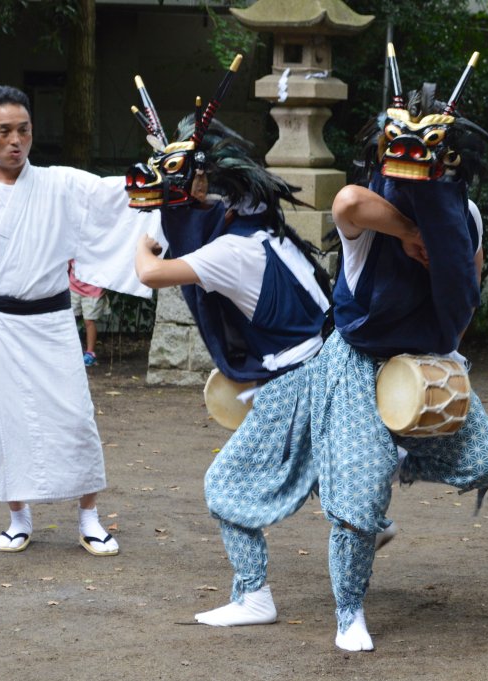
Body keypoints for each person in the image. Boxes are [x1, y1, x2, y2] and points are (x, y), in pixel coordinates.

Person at [310, 77, 488, 652]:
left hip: (426, 361)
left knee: (485, 461)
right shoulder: (371, 211)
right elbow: (348, 203)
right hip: (357, 359)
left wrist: (447, 355)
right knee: (357, 500)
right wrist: (410, 231)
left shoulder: (465, 213)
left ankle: (387, 457)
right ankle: (349, 612)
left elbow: (468, 288)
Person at [0, 85, 157, 556]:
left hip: (52, 321)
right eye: (4, 131)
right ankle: (18, 516)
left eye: (24, 131)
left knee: (76, 419)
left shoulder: (62, 185)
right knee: (5, 422)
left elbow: (120, 196)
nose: (16, 140)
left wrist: (163, 173)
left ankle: (89, 517)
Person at [129, 110, 332, 627]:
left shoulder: (228, 252)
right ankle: (365, 521)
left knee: (223, 484)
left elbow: (153, 272)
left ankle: (253, 596)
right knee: (314, 466)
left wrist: (141, 238)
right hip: (328, 368)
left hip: (295, 380)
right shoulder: (270, 232)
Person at [68, 259, 110, 366]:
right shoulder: (75, 244)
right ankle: (70, 350)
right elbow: (68, 263)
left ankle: (90, 354)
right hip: (74, 287)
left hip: (93, 289)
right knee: (70, 319)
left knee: (89, 321)